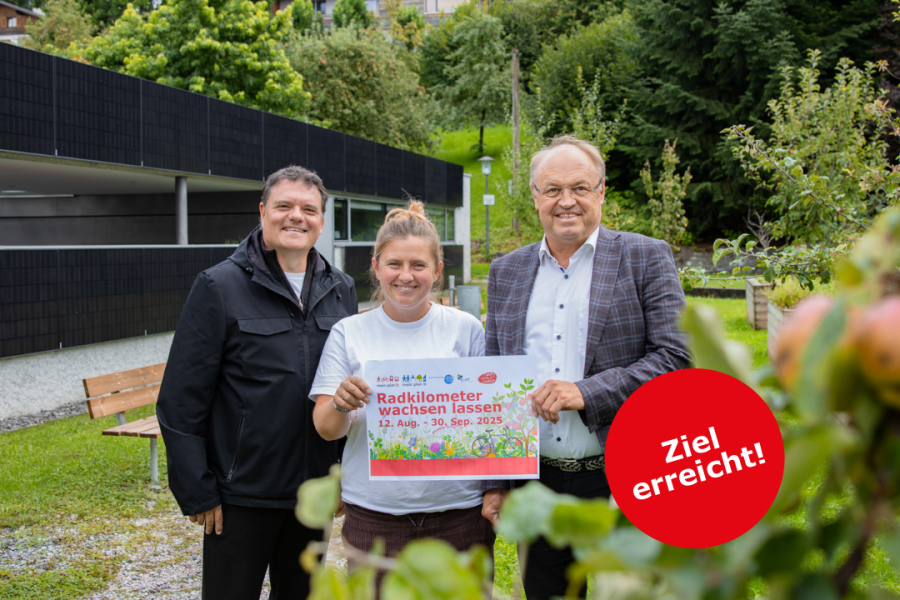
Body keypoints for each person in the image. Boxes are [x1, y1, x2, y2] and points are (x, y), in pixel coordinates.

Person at [481, 135, 691, 599]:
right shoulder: (507, 271)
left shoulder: (645, 256)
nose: (566, 201)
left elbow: (677, 357)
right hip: (538, 480)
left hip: (630, 472)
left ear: (601, 192)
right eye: (552, 189)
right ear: (535, 197)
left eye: (580, 187)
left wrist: (587, 392)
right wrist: (497, 481)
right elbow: (493, 378)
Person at [156, 165, 358, 600]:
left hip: (313, 492)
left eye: (308, 209)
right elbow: (181, 399)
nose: (296, 217)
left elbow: (344, 388)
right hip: (239, 495)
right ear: (263, 211)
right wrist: (197, 488)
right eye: (284, 206)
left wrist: (343, 474)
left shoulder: (341, 289)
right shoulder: (218, 286)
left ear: (321, 221)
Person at [309, 200, 494, 591]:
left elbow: (492, 420)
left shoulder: (465, 329)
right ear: (376, 267)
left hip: (458, 512)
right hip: (376, 514)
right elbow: (327, 429)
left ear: (438, 271)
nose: (405, 276)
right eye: (394, 264)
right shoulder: (348, 332)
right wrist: (341, 401)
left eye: (418, 265)